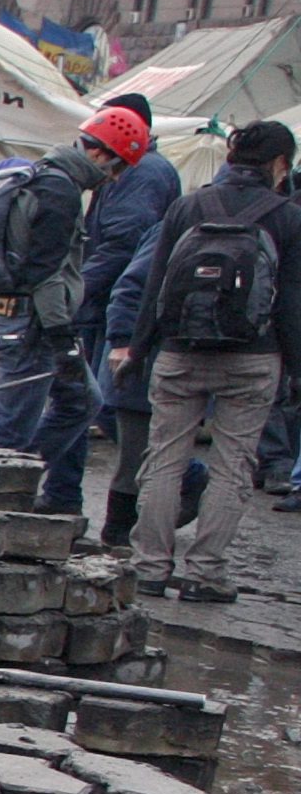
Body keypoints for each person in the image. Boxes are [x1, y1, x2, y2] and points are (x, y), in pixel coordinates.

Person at [115, 118, 301, 603]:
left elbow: (155, 284)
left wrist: (137, 349)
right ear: (280, 165)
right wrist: (295, 367)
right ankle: (204, 573)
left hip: (179, 351)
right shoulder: (288, 217)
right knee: (232, 466)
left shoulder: (188, 206)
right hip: (252, 359)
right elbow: (290, 302)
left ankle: (150, 567)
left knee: (163, 459)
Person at [0, 106, 147, 504]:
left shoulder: (45, 179)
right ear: (103, 155)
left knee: (82, 400)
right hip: (33, 321)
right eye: (115, 170)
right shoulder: (61, 191)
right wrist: (61, 339)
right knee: (11, 423)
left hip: (18, 314)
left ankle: (13, 481)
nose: (112, 180)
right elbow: (46, 273)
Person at [70, 90, 185, 530]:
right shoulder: (126, 174)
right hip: (108, 304)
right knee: (108, 406)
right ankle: (161, 484)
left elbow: (123, 246)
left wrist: (76, 292)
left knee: (117, 406)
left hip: (121, 308)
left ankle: (176, 481)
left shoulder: (146, 173)